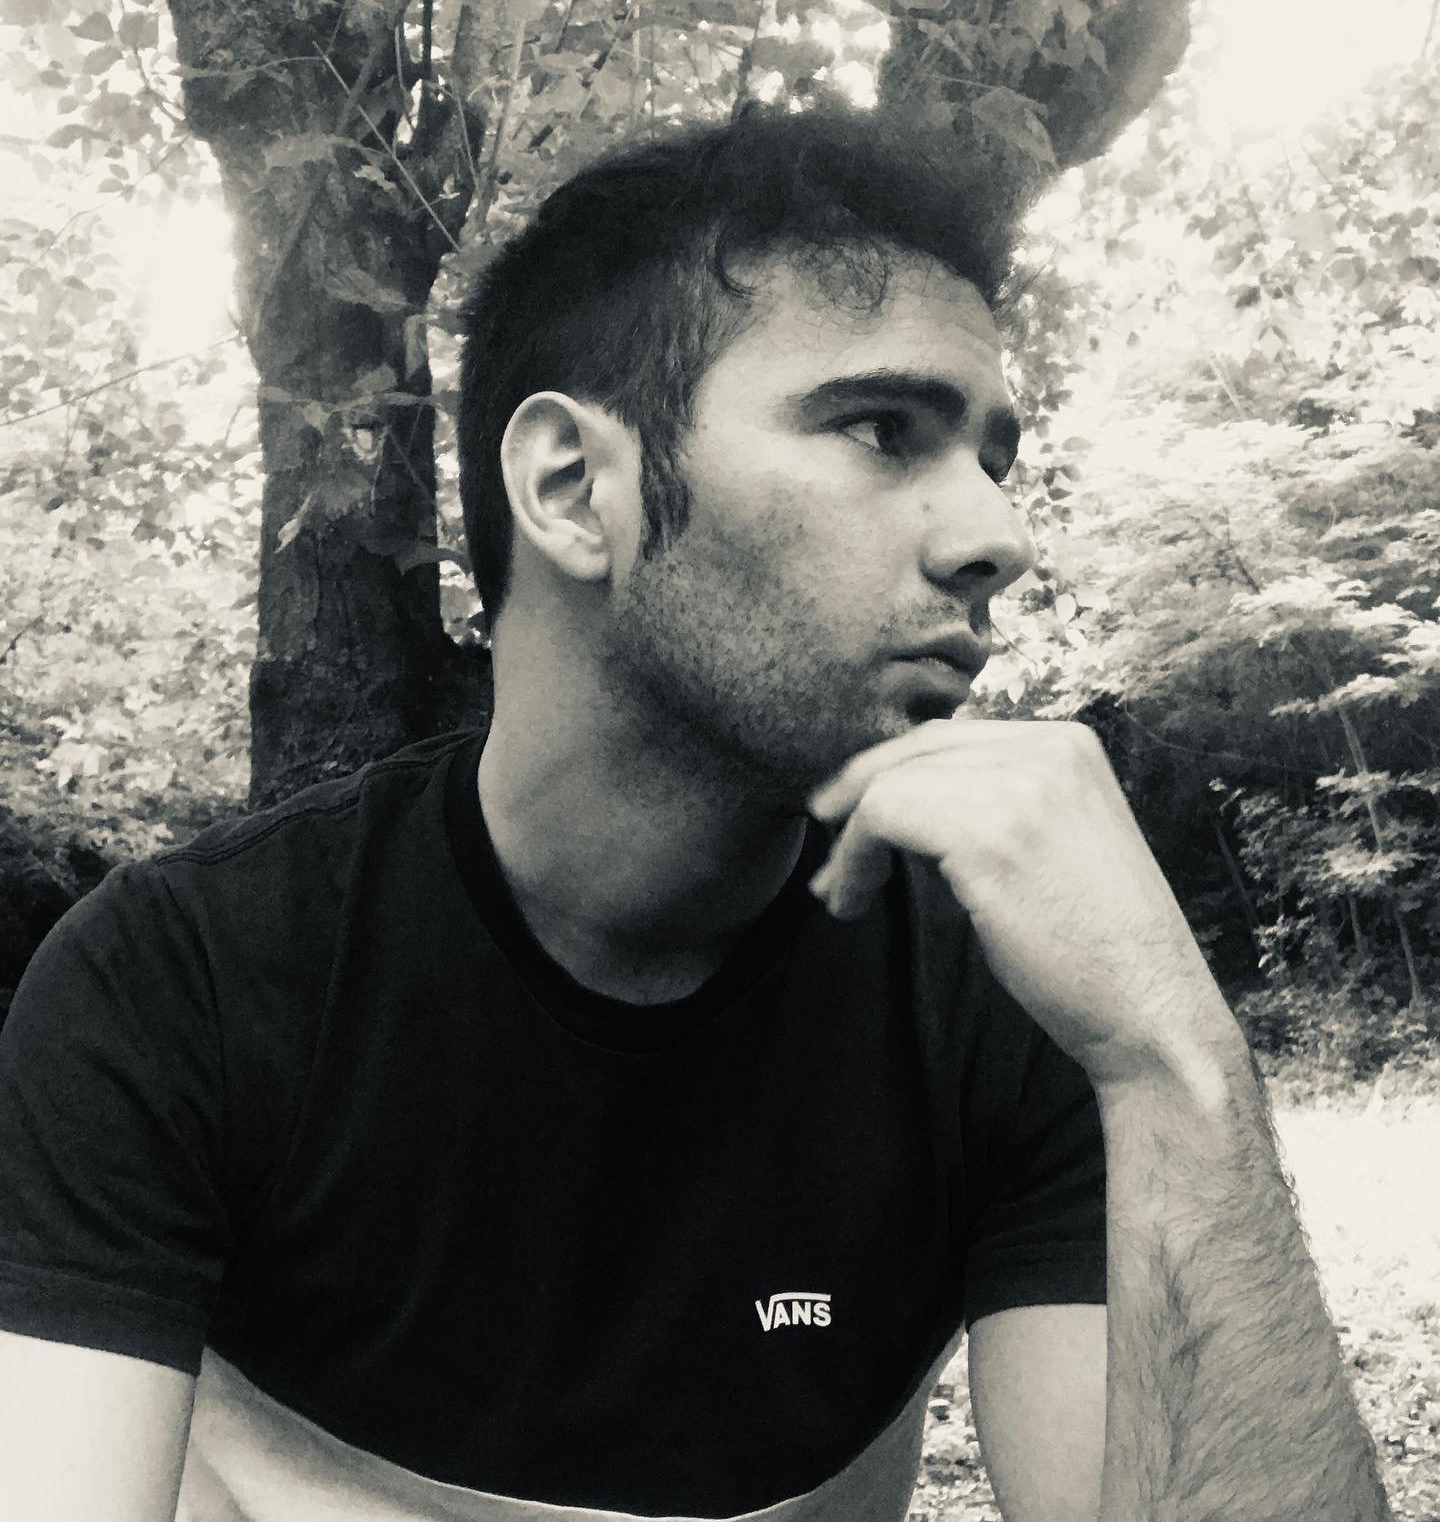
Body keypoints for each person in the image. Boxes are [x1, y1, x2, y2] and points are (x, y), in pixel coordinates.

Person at [0, 101, 1391, 1522]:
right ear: (571, 488)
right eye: (881, 430)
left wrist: (1173, 1061)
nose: (998, 538)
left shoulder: (1007, 985)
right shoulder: (177, 990)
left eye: (990, 460)